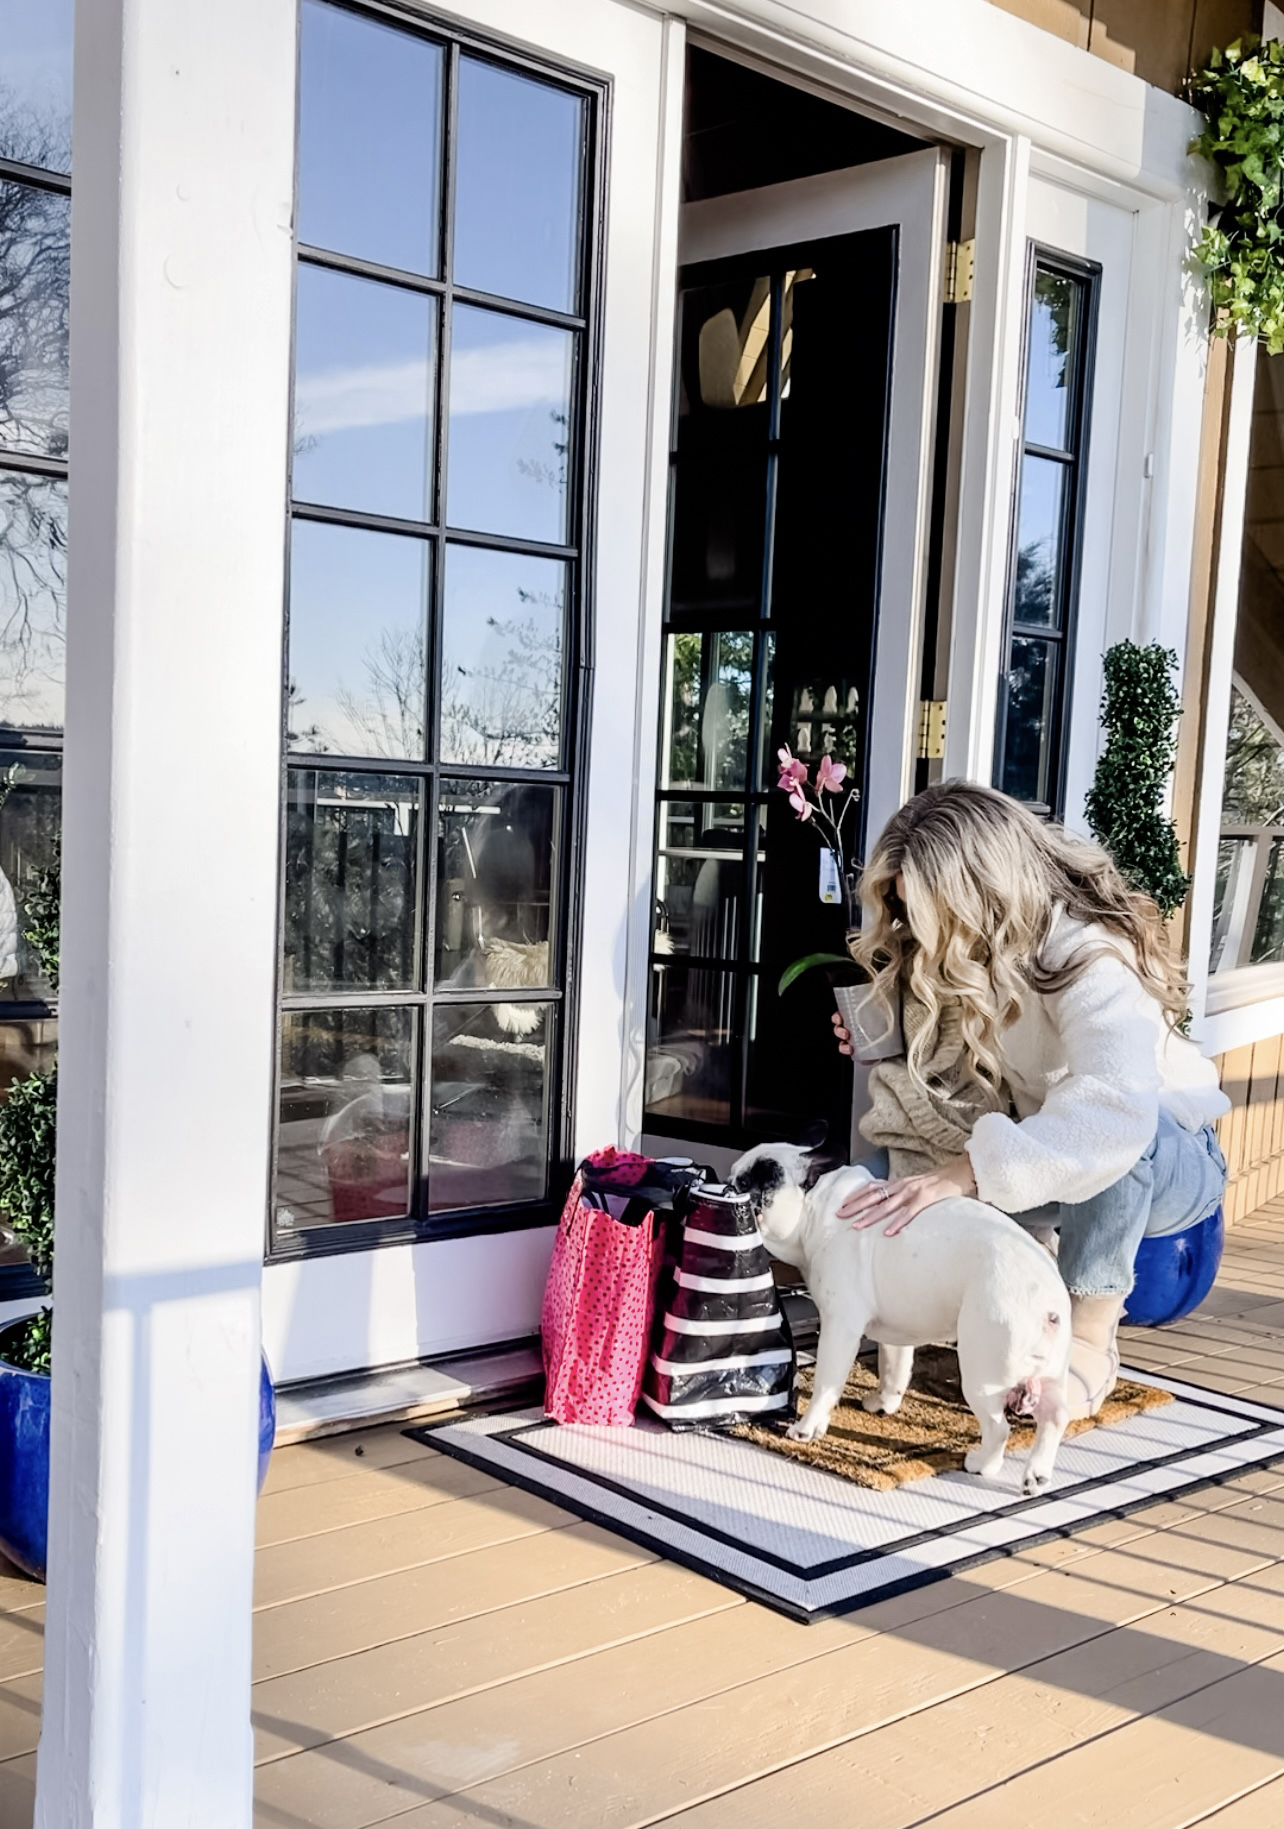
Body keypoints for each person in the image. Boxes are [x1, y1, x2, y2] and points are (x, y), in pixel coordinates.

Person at [831, 780, 1228, 1420]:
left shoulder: (1090, 952)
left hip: (1171, 1186)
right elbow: (963, 1100)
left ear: (980, 891)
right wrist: (897, 1034)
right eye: (902, 911)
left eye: (924, 912)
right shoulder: (980, 951)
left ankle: (1091, 1336)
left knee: (1123, 1120)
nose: (912, 930)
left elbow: (1111, 1112)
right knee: (882, 1196)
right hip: (1057, 1166)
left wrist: (968, 1173)